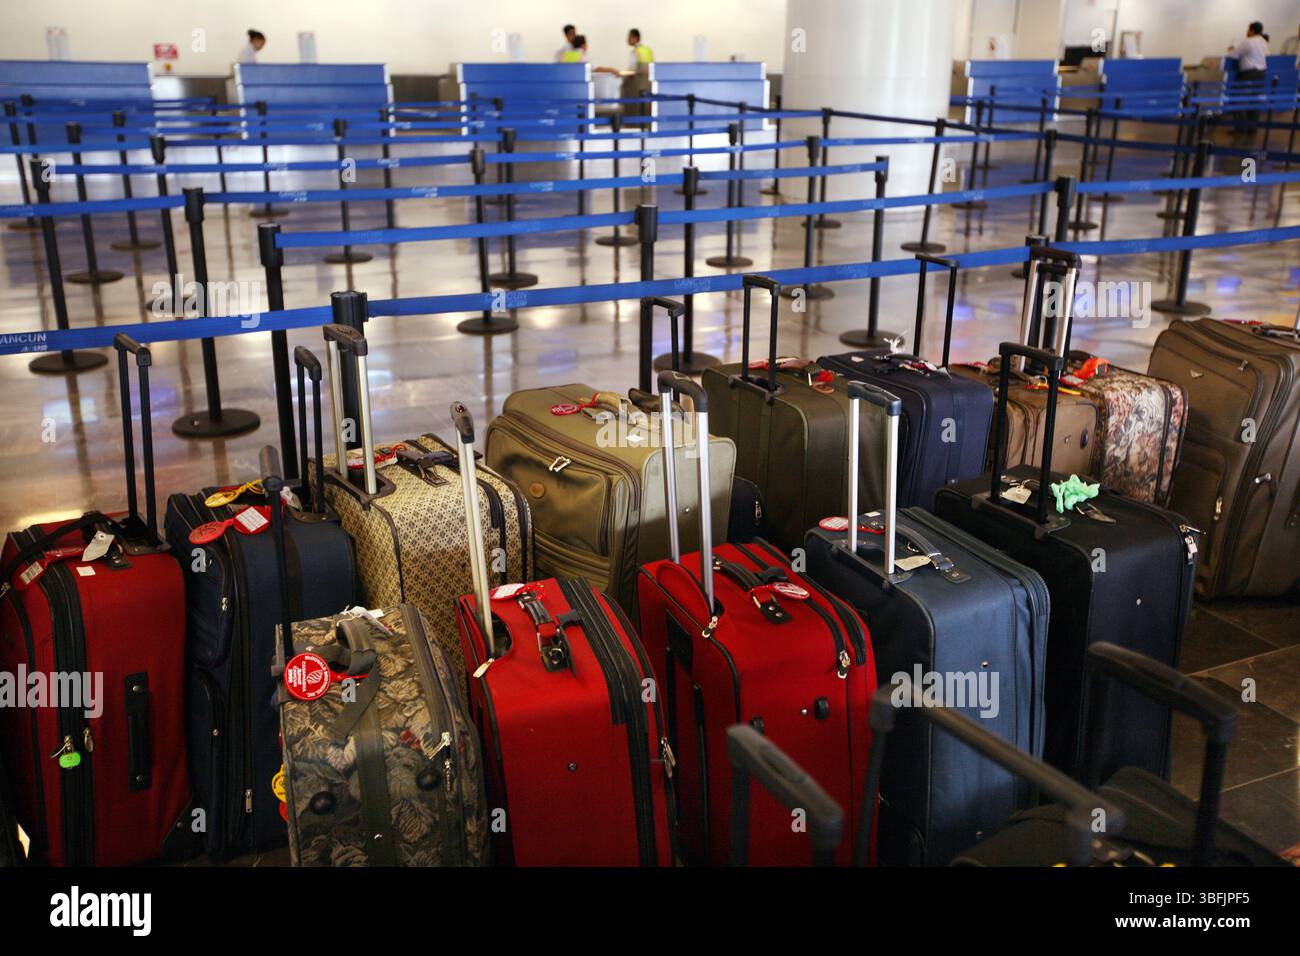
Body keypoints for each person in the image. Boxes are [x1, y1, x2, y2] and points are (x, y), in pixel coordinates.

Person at [1227, 21, 1269, 135]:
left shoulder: (1248, 41)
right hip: (1261, 74)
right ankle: (1252, 127)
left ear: (1252, 30)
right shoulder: (1264, 41)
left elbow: (1233, 55)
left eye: (1248, 30)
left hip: (1249, 74)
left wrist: (1230, 49)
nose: (1247, 32)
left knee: (1237, 100)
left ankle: (1240, 128)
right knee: (1255, 101)